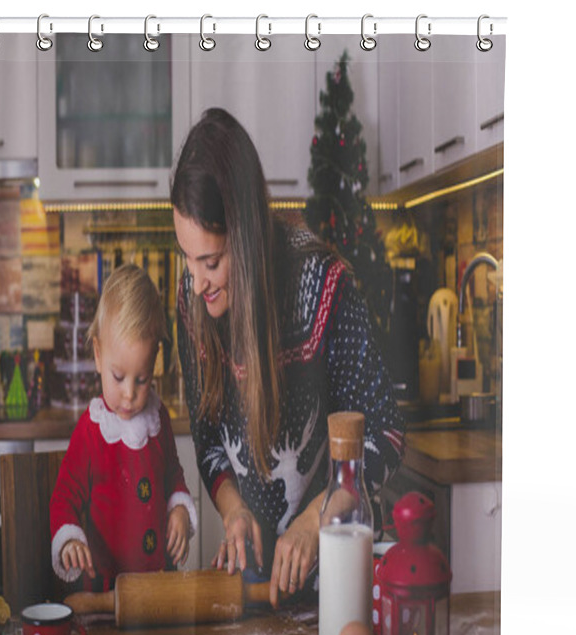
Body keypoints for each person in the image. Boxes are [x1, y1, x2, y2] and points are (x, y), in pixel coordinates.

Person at [173, 108, 406, 607]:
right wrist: (233, 511)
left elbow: (384, 432)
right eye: (186, 259)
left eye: (210, 262)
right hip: (254, 588)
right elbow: (209, 440)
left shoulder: (324, 284)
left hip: (339, 570)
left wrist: (311, 523)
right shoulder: (192, 301)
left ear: (249, 237)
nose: (196, 283)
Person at [50, 264, 197, 590]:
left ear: (156, 358)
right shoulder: (91, 431)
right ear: (99, 355)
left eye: (142, 379)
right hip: (107, 594)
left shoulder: (159, 421)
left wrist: (180, 511)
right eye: (119, 378)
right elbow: (64, 498)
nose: (129, 394)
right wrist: (70, 539)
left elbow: (173, 475)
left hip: (160, 590)